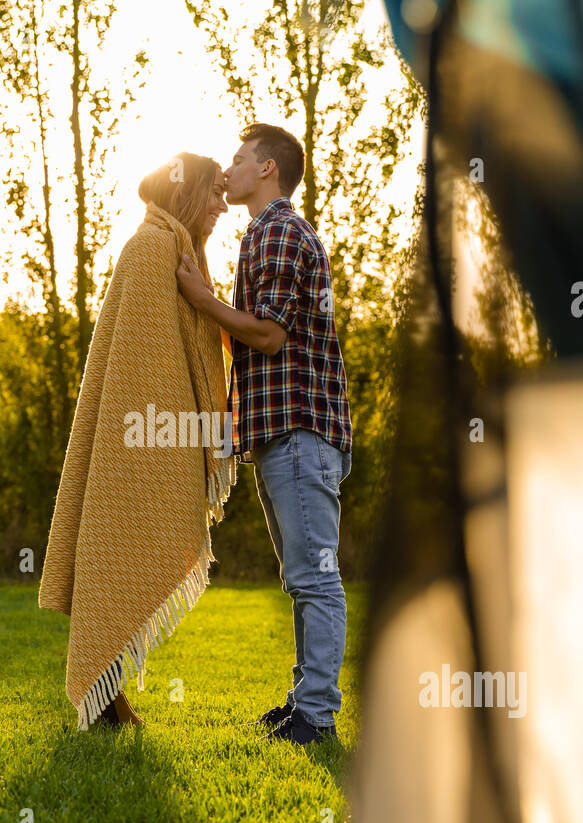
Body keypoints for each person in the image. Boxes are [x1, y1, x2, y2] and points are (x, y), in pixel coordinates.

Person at [40, 152, 232, 729]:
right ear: (188, 194)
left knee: (123, 552)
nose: (223, 207)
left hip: (152, 435)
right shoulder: (152, 248)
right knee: (119, 552)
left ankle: (109, 694)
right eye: (215, 193)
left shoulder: (174, 248)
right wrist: (165, 439)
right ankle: (104, 694)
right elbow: (143, 365)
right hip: (138, 441)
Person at [176, 123, 353, 745]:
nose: (227, 170)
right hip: (282, 433)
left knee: (315, 579)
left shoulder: (278, 231)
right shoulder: (261, 234)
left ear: (268, 168)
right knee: (301, 578)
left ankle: (317, 716)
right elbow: (252, 337)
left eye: (238, 158)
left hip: (301, 429)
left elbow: (270, 336)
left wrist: (202, 298)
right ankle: (306, 703)